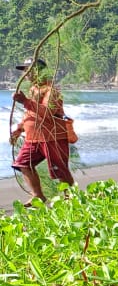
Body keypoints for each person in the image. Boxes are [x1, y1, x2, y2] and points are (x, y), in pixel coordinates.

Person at [9, 57, 74, 206]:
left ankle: (71, 199)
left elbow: (48, 113)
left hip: (53, 137)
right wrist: (19, 129)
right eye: (25, 71)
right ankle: (38, 196)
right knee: (23, 163)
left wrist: (25, 101)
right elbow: (30, 113)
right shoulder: (34, 90)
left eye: (30, 70)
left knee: (60, 170)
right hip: (33, 138)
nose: (26, 74)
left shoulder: (51, 90)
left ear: (40, 71)